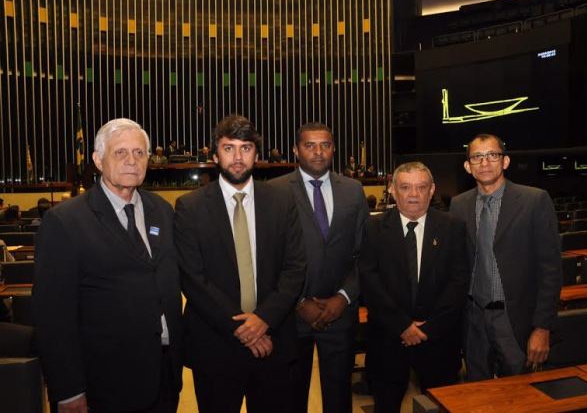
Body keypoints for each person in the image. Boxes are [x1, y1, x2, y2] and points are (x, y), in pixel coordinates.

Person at [32, 118, 183, 413]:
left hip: (164, 375)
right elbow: (53, 316)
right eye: (120, 153)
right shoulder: (65, 221)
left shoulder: (162, 211)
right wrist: (68, 390)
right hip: (105, 384)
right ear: (98, 160)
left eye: (139, 153)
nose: (132, 161)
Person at [174, 115, 305, 413]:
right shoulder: (189, 207)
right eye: (228, 148)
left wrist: (263, 320)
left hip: (273, 341)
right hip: (216, 347)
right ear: (215, 153)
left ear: (256, 154)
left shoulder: (282, 201)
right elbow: (193, 279)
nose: (237, 157)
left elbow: (295, 268)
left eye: (245, 148)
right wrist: (245, 329)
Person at [269, 122, 369, 413]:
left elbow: (364, 253)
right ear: (295, 150)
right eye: (309, 145)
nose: (318, 151)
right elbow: (270, 257)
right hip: (291, 315)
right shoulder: (274, 192)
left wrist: (343, 297)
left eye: (324, 144)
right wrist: (299, 301)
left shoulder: (353, 190)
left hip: (341, 313)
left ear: (333, 149)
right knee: (290, 397)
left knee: (339, 399)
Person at [449, 133, 561, 381]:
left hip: (515, 320)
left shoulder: (535, 200)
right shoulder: (458, 205)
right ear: (468, 166)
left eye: (492, 155)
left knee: (523, 394)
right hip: (473, 319)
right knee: (479, 395)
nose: (485, 162)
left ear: (505, 161)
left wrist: (543, 327)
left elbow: (551, 270)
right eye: (477, 157)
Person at [360, 162, 469, 413]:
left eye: (421, 187)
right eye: (405, 187)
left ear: (432, 190)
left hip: (438, 341)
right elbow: (369, 281)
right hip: (387, 342)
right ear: (392, 190)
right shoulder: (373, 227)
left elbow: (459, 282)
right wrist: (403, 326)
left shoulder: (453, 227)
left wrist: (427, 328)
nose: (413, 194)